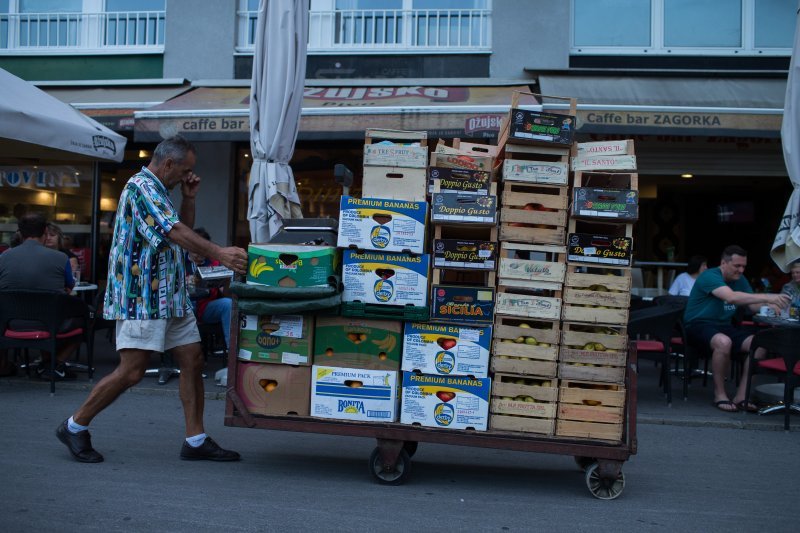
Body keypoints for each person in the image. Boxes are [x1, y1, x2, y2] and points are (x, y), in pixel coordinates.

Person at [55, 135, 248, 464]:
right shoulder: (141, 187)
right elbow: (174, 232)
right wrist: (220, 254)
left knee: (193, 359)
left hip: (170, 295)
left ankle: (196, 439)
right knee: (131, 372)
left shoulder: (161, 191)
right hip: (141, 296)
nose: (187, 176)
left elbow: (181, 232)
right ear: (168, 164)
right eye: (185, 171)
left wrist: (189, 198)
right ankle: (75, 426)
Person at [683, 245, 790, 413]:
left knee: (759, 345)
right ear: (724, 263)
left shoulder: (740, 279)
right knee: (724, 342)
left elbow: (753, 305)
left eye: (744, 266)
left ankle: (741, 396)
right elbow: (731, 297)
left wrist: (770, 305)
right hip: (698, 325)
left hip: (725, 326)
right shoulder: (710, 276)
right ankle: (720, 395)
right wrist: (769, 296)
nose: (741, 270)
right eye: (737, 266)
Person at [0, 213, 79, 380]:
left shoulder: (4, 257)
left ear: (20, 234)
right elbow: (70, 286)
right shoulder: (60, 257)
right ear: (44, 232)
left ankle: (4, 364)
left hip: (10, 324)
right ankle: (54, 364)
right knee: (85, 317)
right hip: (49, 323)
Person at [189, 227, 233, 349]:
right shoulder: (180, 262)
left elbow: (226, 294)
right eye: (194, 249)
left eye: (201, 250)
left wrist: (227, 280)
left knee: (228, 304)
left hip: (205, 307)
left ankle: (232, 350)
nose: (198, 254)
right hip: (184, 307)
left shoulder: (214, 263)